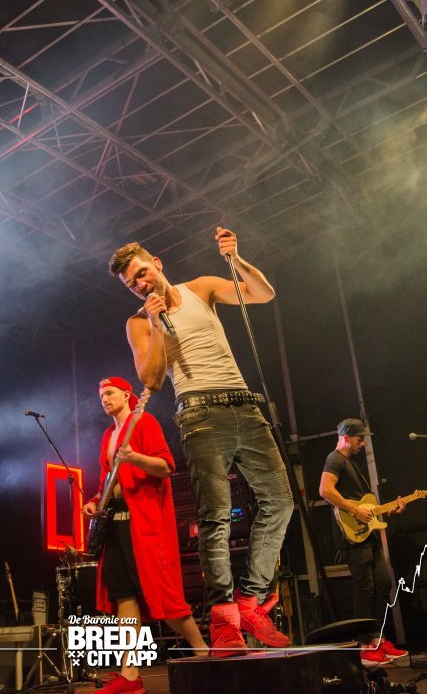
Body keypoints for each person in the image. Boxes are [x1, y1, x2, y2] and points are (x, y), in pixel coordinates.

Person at [109, 228, 294, 656]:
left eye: (142, 273)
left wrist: (237, 259)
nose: (140, 284)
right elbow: (152, 379)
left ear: (157, 263)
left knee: (281, 501)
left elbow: (263, 294)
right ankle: (223, 619)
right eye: (131, 284)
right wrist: (156, 324)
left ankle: (250, 600)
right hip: (198, 413)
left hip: (244, 405)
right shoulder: (138, 323)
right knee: (216, 516)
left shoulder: (201, 288)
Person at [82, 376, 208, 694]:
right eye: (101, 395)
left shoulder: (144, 422)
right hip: (116, 522)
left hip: (144, 523)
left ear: (127, 395)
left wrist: (134, 457)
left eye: (110, 393)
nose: (104, 399)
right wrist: (96, 501)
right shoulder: (108, 436)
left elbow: (165, 466)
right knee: (124, 596)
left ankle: (204, 654)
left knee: (162, 594)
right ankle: (130, 675)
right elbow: (108, 480)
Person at [318, 418, 409, 666]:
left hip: (367, 534)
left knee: (383, 582)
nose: (363, 444)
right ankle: (364, 646)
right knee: (365, 587)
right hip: (352, 536)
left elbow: (366, 506)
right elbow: (325, 490)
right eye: (360, 439)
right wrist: (355, 511)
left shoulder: (350, 463)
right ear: (347, 438)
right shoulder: (335, 459)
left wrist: (388, 509)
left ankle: (378, 639)